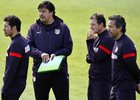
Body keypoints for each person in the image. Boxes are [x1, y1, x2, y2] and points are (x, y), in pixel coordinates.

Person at [26, 1, 73, 100]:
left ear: (51, 12)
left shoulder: (63, 27)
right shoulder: (33, 28)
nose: (40, 14)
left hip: (59, 72)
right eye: (39, 11)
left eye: (43, 11)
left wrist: (56, 54)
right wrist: (40, 54)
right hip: (40, 72)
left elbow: (68, 47)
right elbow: (28, 47)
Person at [108, 15, 140, 100]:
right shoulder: (117, 41)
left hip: (125, 89)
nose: (108, 29)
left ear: (119, 28)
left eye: (111, 27)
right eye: (108, 26)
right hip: (116, 87)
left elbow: (133, 66)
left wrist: (138, 82)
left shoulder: (126, 45)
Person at [86, 13, 115, 100]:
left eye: (93, 24)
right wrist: (92, 55)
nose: (91, 27)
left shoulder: (107, 39)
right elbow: (88, 58)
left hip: (102, 81)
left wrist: (89, 42)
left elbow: (94, 58)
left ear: (101, 24)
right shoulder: (98, 38)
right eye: (90, 24)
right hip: (93, 79)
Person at [1, 15, 30, 100]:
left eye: (6, 26)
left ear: (14, 28)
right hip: (19, 83)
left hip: (13, 85)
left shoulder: (16, 45)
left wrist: (5, 87)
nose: (3, 29)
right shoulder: (23, 40)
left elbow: (12, 69)